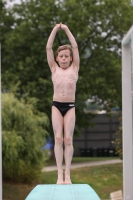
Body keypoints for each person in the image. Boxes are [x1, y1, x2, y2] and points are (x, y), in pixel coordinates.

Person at [46, 23, 79, 184]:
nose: (64, 58)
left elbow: (75, 45)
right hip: (57, 106)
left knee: (68, 140)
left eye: (67, 56)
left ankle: (68, 174)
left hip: (70, 106)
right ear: (57, 59)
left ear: (71, 58)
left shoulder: (74, 68)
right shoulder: (54, 69)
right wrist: (55, 29)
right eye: (61, 56)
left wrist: (66, 29)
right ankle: (59, 173)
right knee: (58, 138)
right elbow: (48, 47)